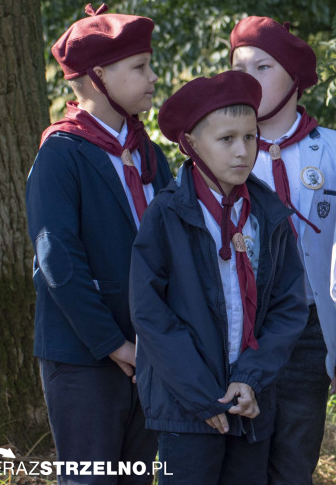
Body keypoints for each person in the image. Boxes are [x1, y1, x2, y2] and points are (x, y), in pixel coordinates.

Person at [129, 71, 308, 485]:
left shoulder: (270, 215)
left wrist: (251, 378)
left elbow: (287, 306)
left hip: (250, 403)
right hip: (185, 409)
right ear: (191, 144)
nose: (243, 151)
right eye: (226, 139)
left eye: (250, 137)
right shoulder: (167, 215)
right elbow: (150, 312)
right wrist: (200, 397)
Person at [27, 3, 171, 484]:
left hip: (147, 350)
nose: (153, 76)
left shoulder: (148, 154)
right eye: (140, 67)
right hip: (84, 354)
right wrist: (114, 345)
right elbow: (57, 260)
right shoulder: (62, 153)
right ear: (97, 76)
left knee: (134, 477)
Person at [229, 16, 336, 485]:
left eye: (262, 66)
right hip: (243, 326)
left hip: (310, 329)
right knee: (244, 454)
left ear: (294, 78)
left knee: (295, 454)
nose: (248, 77)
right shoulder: (224, 148)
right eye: (238, 65)